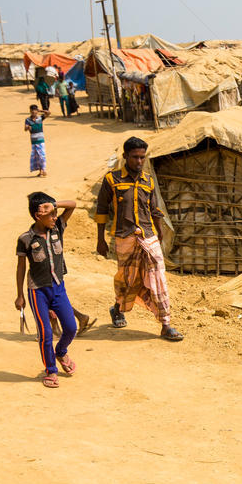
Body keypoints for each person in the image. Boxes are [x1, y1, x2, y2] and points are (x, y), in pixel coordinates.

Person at [95, 136, 183, 342]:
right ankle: (117, 309)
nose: (139, 161)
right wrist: (99, 240)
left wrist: (159, 232)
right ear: (125, 156)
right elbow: (101, 211)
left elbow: (154, 209)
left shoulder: (148, 181)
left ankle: (166, 324)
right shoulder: (111, 180)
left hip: (148, 236)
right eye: (135, 157)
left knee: (158, 278)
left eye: (142, 157)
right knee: (128, 279)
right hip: (124, 237)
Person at [15, 192, 78, 388]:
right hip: (37, 291)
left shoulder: (58, 227)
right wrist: (19, 295)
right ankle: (51, 370)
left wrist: (53, 204)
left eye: (55, 213)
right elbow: (21, 267)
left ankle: (61, 352)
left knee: (71, 327)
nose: (54, 217)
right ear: (37, 216)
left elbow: (73, 204)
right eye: (50, 214)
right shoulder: (25, 239)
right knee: (45, 333)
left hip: (59, 288)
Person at [24, 105, 49, 177]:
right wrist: (27, 127)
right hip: (33, 141)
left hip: (41, 140)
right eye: (32, 110)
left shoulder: (40, 118)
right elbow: (25, 129)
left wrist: (41, 110)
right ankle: (41, 171)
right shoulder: (27, 120)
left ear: (37, 111)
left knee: (42, 156)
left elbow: (49, 113)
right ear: (30, 111)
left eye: (35, 110)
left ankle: (43, 170)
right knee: (37, 157)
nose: (33, 112)